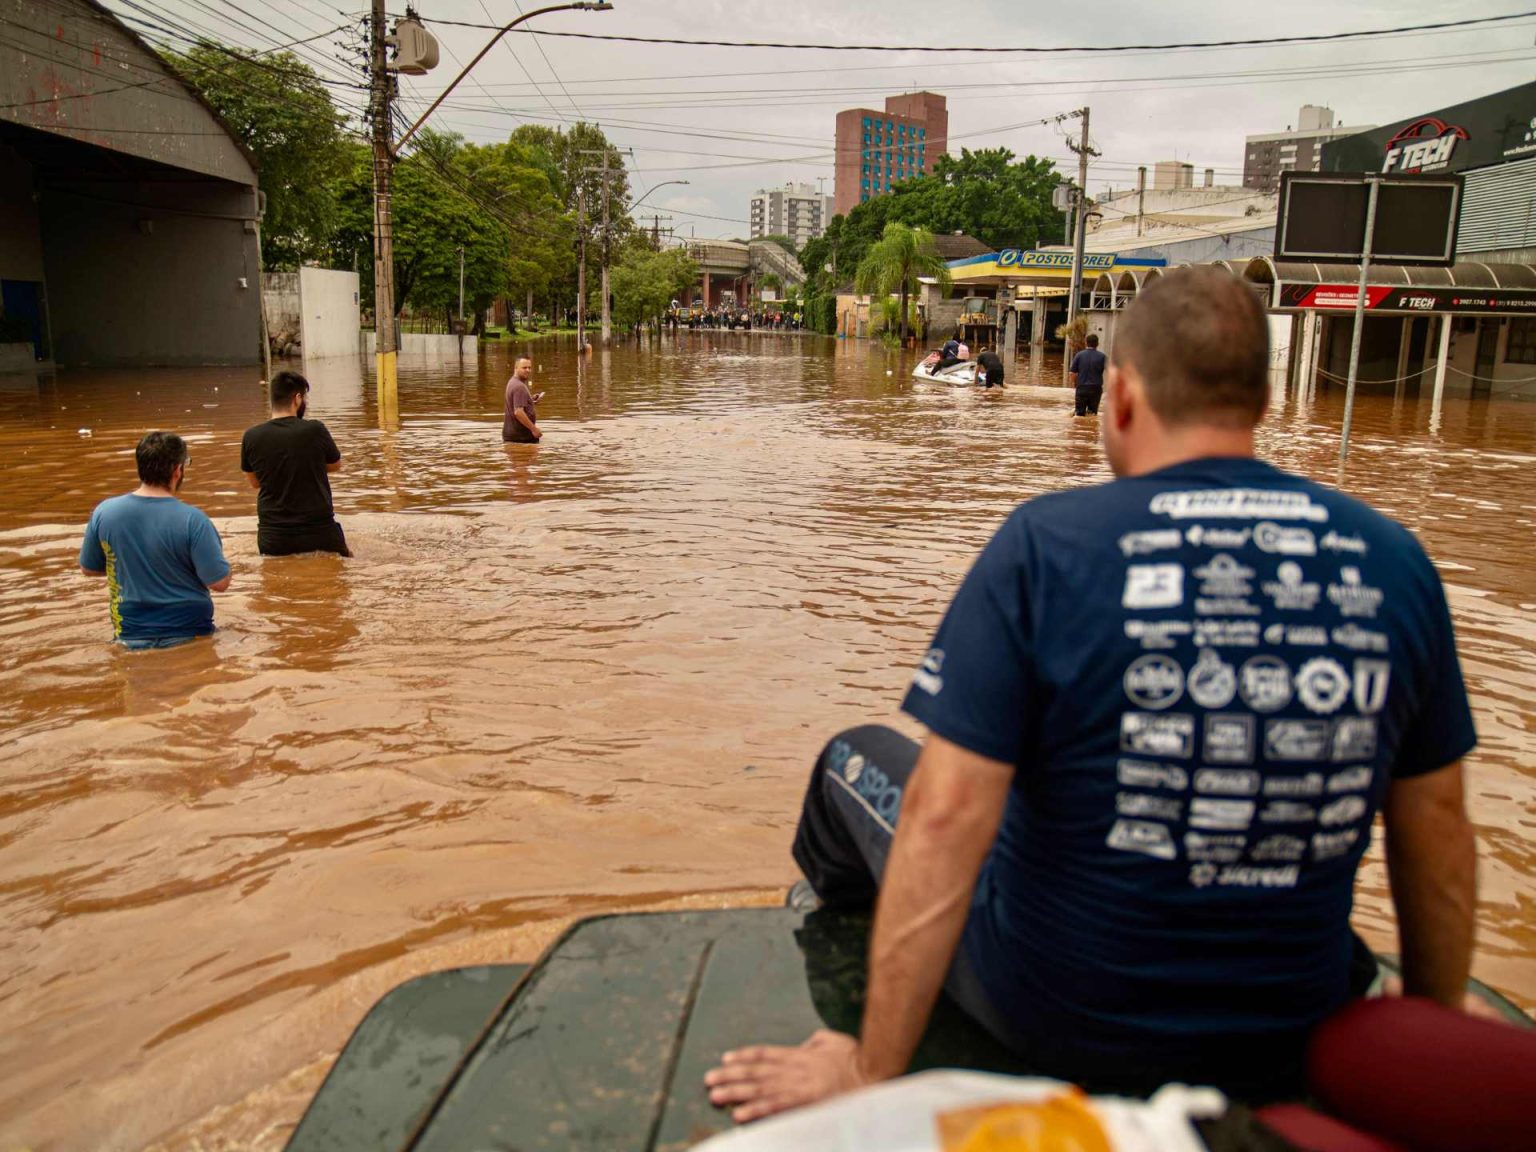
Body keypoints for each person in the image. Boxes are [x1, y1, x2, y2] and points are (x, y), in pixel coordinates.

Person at [705, 266, 1480, 1124]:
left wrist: (869, 1071)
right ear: (1262, 406)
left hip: (1060, 1018)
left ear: (1117, 397)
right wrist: (1434, 1054)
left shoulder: (1047, 545)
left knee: (852, 759)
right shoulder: (1396, 559)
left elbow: (943, 817)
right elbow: (1437, 833)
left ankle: (836, 938)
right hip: (1293, 1026)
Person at [79, 430, 231, 648]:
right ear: (177, 470)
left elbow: (89, 569)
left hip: (130, 633)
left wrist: (131, 564)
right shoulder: (193, 520)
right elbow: (219, 582)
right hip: (191, 633)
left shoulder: (105, 513)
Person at [240, 370, 350, 557]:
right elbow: (335, 465)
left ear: (272, 399)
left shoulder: (251, 436)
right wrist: (307, 464)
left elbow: (255, 483)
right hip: (320, 533)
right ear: (297, 398)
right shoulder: (315, 430)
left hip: (273, 537)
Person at [502, 356, 544, 444]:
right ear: (516, 368)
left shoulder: (512, 382)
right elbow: (518, 412)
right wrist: (534, 430)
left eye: (529, 367)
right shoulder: (519, 386)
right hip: (521, 439)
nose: (528, 370)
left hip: (513, 437)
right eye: (524, 368)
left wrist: (530, 400)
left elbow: (515, 404)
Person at [1071, 332, 1108, 415]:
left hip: (1082, 387)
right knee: (1092, 414)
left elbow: (1072, 373)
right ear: (1097, 344)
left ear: (1086, 343)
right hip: (1096, 388)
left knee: (1079, 414)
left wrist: (1075, 383)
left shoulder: (1079, 355)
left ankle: (1079, 427)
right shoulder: (1102, 357)